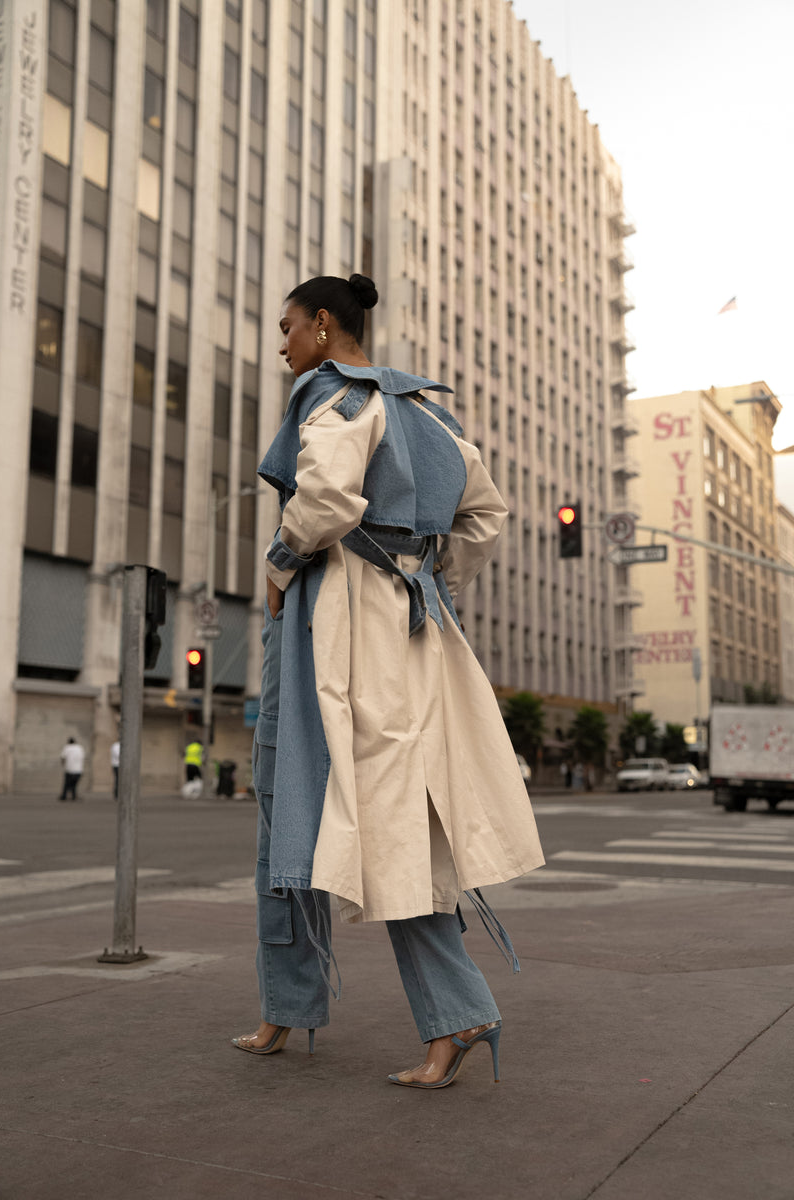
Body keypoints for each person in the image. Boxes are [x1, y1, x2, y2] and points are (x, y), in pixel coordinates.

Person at [232, 274, 544, 1089]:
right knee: (367, 812)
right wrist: (426, 572)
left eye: (289, 327)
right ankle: (292, 1007)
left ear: (325, 326)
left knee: (315, 804)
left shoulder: (334, 396)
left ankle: (441, 1013)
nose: (283, 345)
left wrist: (278, 561)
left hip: (338, 633)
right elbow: (486, 514)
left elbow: (326, 497)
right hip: (412, 632)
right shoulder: (426, 411)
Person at [58, 737, 84, 801]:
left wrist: (63, 765)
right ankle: (74, 796)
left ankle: (64, 796)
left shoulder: (67, 747)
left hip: (69, 769)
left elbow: (63, 758)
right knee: (74, 784)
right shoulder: (79, 748)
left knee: (66, 784)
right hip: (78, 769)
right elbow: (82, 757)